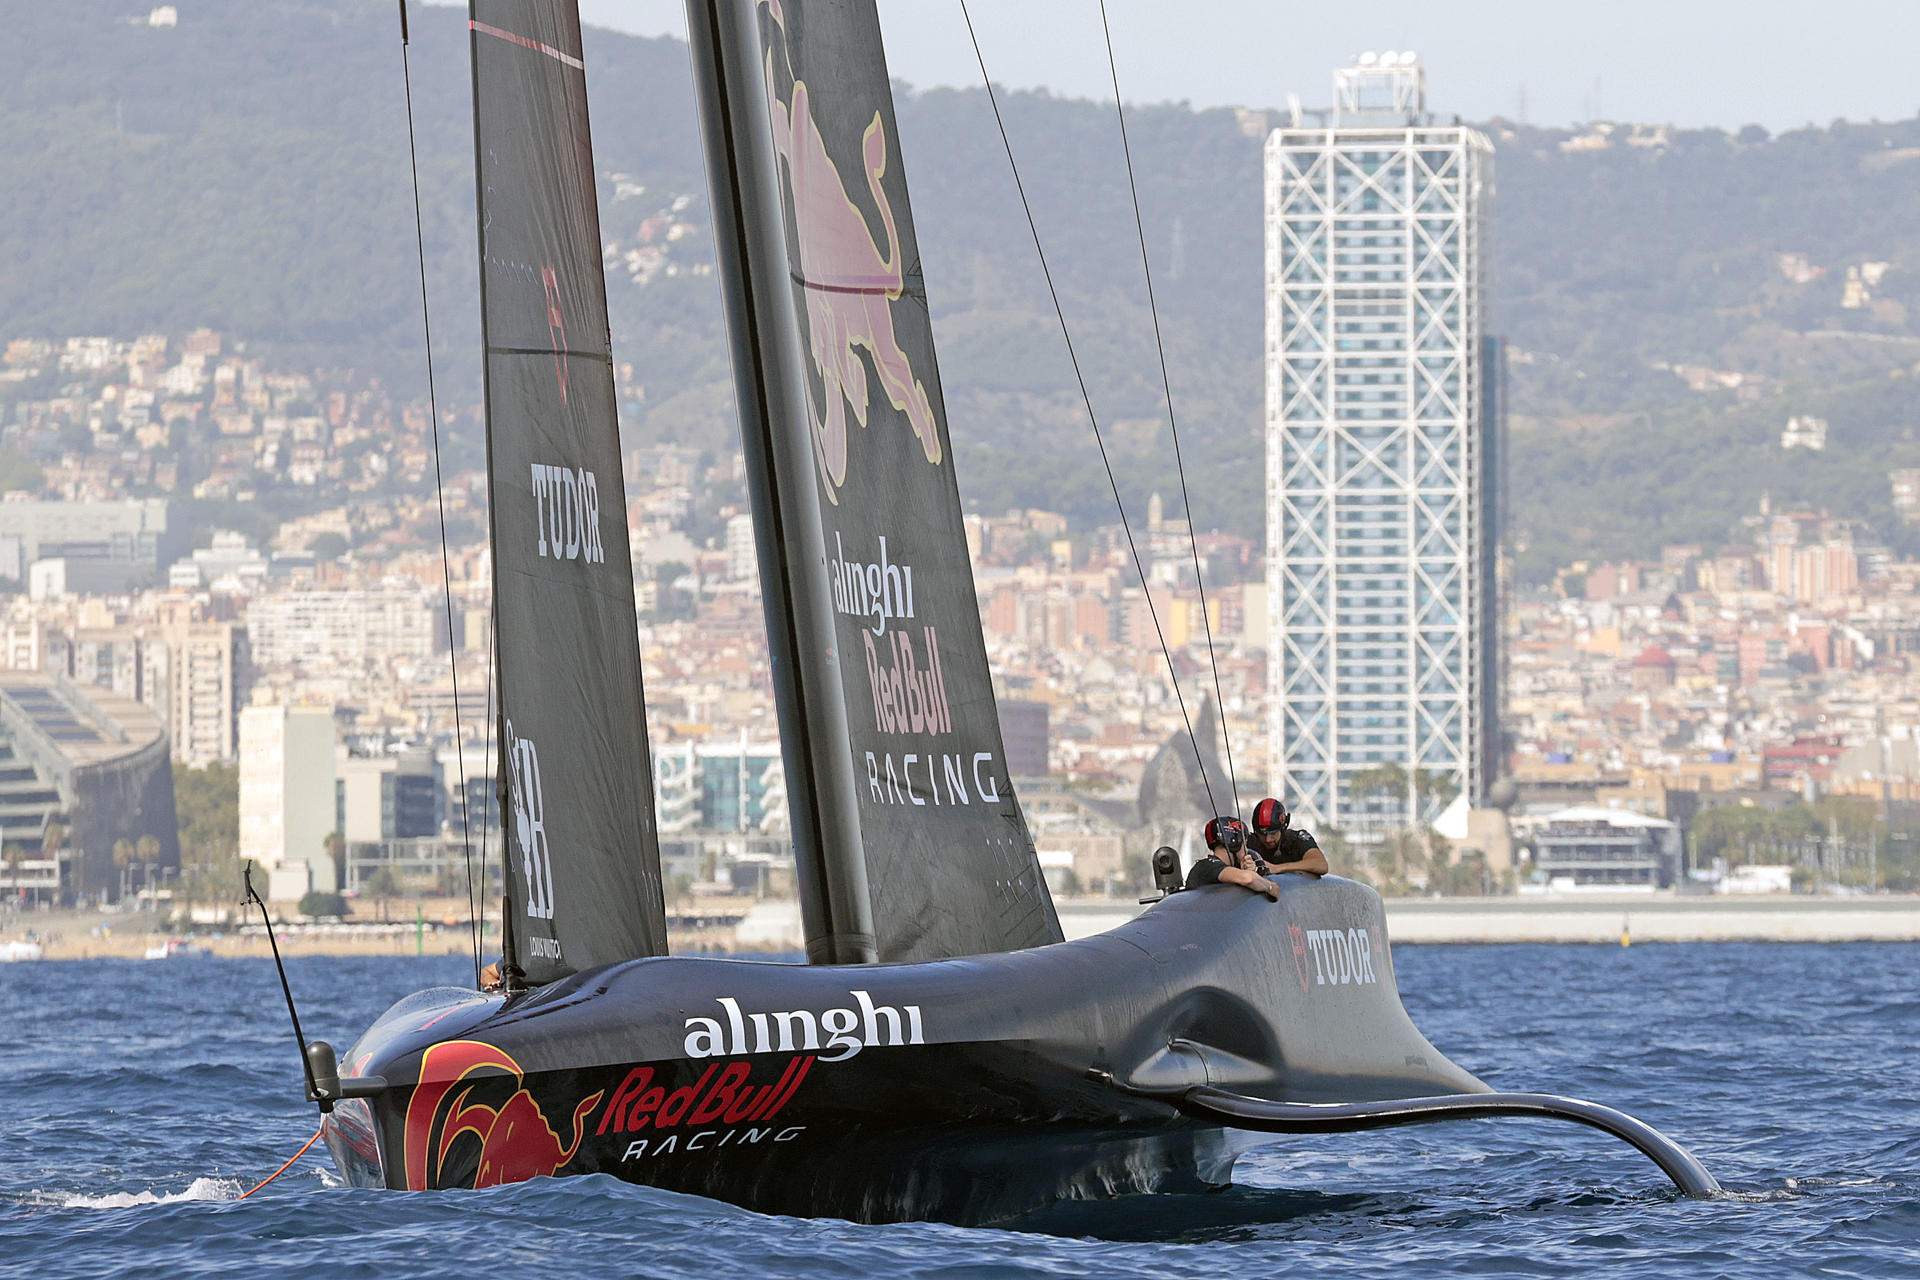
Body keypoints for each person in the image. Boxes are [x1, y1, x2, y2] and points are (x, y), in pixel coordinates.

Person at [1184, 815, 1278, 899]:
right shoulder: (1207, 866)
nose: (1246, 850)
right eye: (1244, 844)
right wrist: (1270, 887)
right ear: (1235, 844)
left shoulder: (1216, 867)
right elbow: (1248, 879)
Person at [1247, 796, 1329, 878]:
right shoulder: (1249, 842)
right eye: (1262, 834)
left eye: (1273, 833)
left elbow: (1321, 864)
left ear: (1282, 828)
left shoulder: (1296, 839)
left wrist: (1277, 868)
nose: (1268, 839)